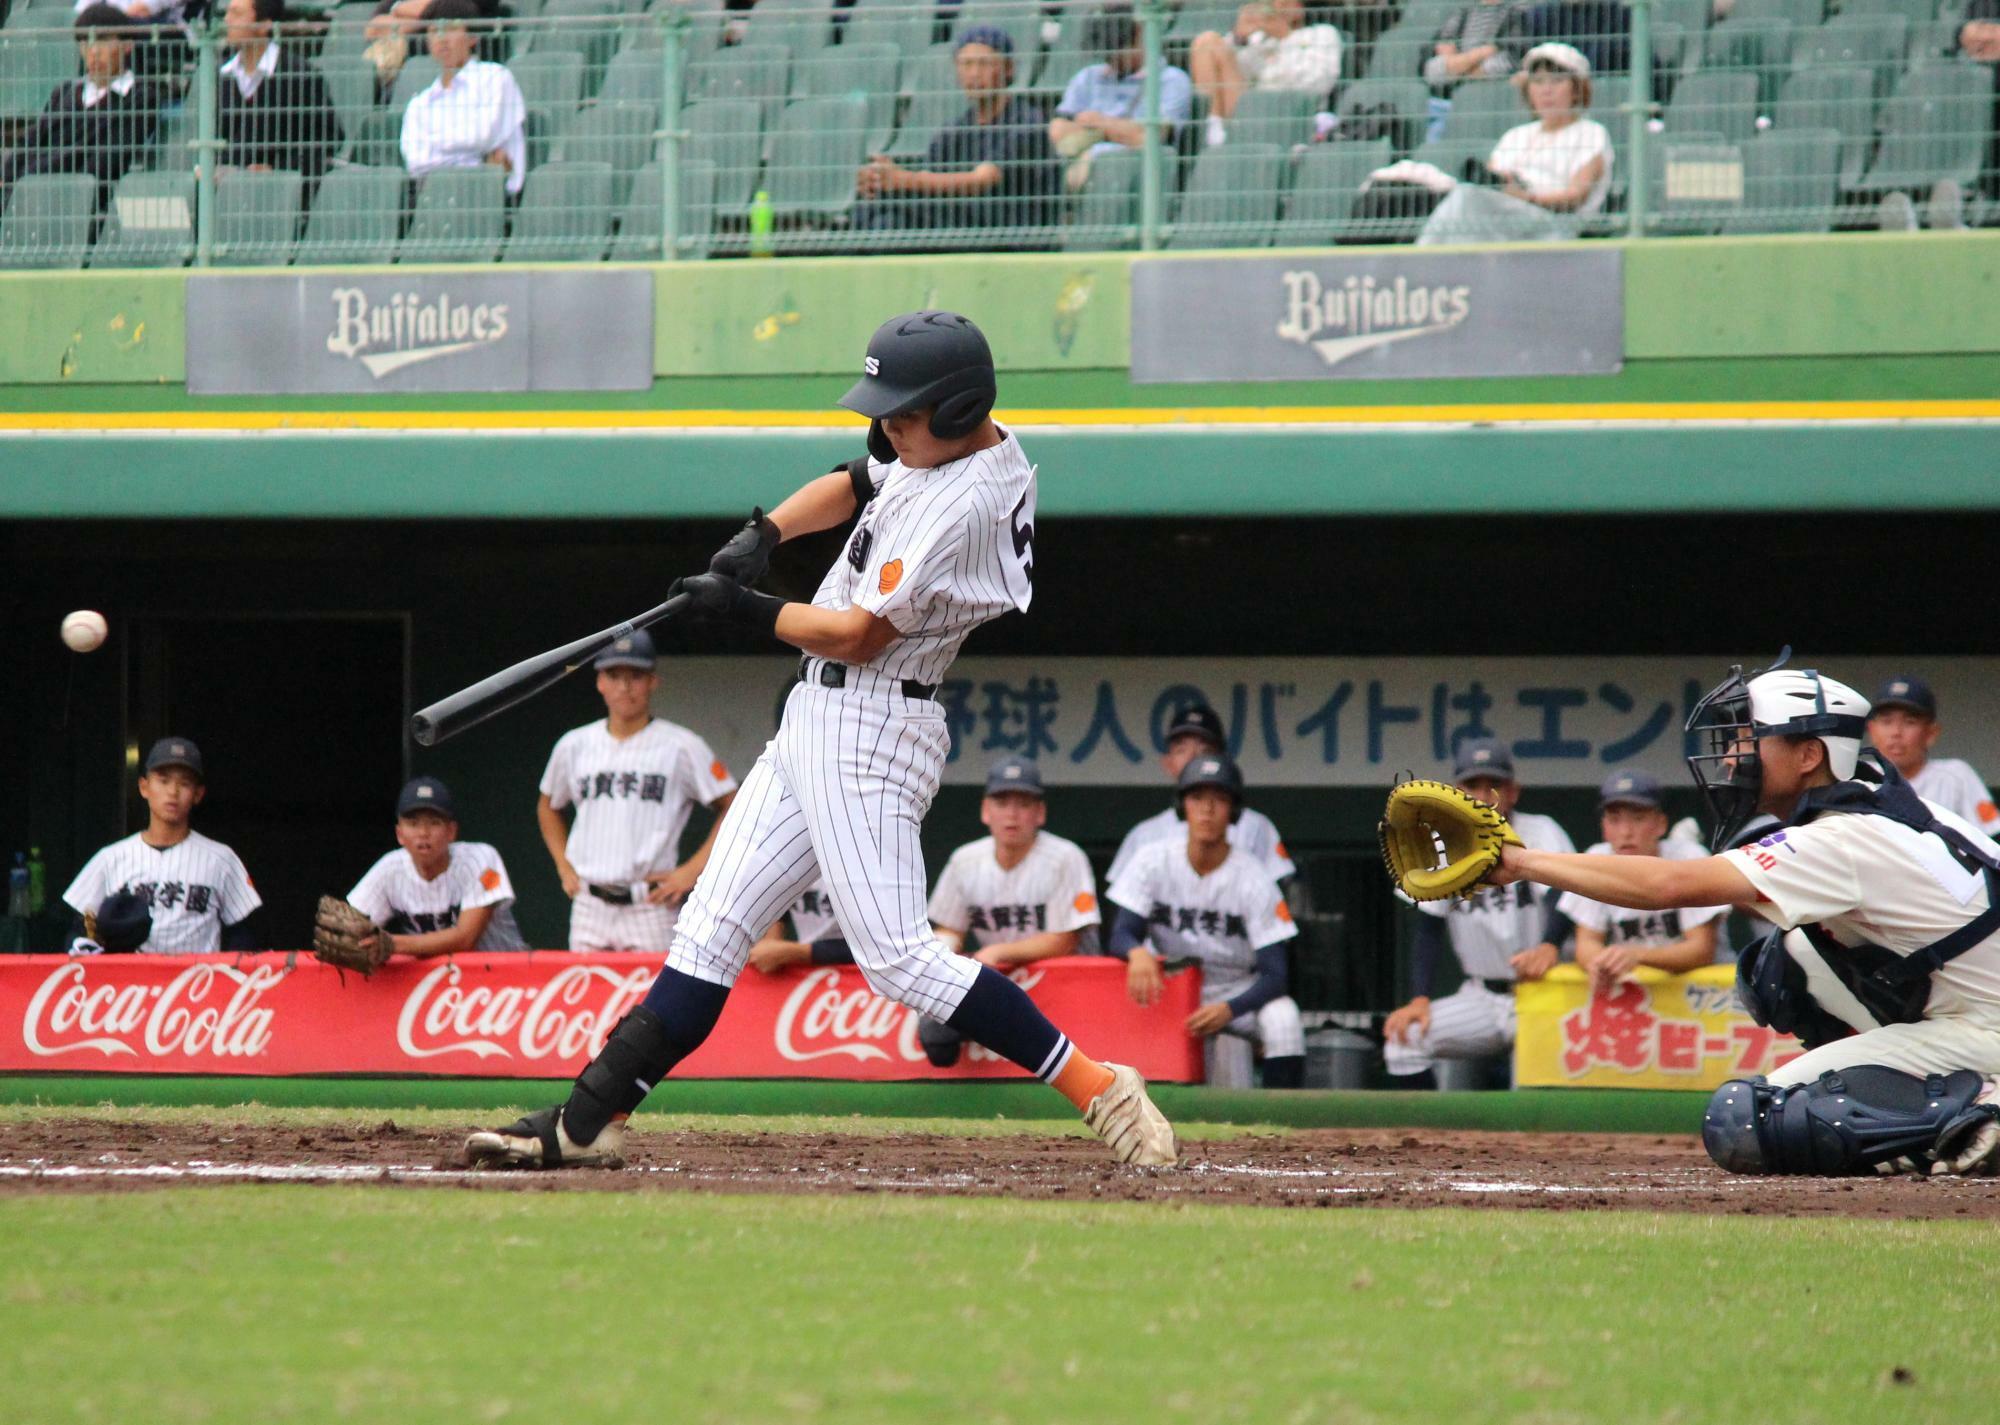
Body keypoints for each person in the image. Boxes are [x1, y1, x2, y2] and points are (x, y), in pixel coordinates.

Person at [467, 310, 1178, 1170]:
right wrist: (763, 536)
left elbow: (856, 634)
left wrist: (747, 608)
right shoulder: (939, 446)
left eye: (905, 413)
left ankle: (1100, 1088)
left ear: (957, 412)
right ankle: (586, 1121)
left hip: (876, 722)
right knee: (709, 929)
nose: (887, 426)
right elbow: (856, 479)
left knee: (902, 962)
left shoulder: (966, 499)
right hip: (817, 715)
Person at [1485, 654, 2000, 1178]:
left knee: (1751, 1120)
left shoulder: (1843, 837)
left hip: (1987, 1029)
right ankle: (1944, 1101)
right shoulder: (1866, 792)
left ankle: (1979, 1110)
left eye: (1750, 738)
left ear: (1807, 755)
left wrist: (1519, 862)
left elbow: (1667, 885)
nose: (1732, 756)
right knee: (1783, 964)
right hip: (1970, 1011)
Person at [1382, 736, 1574, 1088]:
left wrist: (1549, 945)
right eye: (1473, 785)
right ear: (1456, 791)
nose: (1484, 796)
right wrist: (1420, 998)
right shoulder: (1438, 846)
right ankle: (1427, 1142)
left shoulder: (1541, 830)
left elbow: (1564, 896)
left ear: (1514, 791)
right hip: (1481, 996)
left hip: (1541, 992)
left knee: (1528, 1087)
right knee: (1403, 1042)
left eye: (1494, 785)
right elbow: (1429, 928)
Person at [1107, 754, 1305, 1088]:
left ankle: (1283, 1126)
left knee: (1284, 1020)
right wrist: (1136, 952)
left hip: (1237, 989)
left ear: (1235, 812)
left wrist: (1231, 1008)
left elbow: (1276, 975)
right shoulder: (1152, 861)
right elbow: (1120, 934)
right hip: (1171, 985)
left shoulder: (1253, 878)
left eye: (1219, 799)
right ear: (1183, 806)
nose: (1207, 809)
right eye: (1197, 798)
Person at [536, 627, 738, 953]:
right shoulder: (574, 745)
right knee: (589, 1002)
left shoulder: (681, 746)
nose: (625, 686)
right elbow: (548, 805)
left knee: (653, 1003)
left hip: (650, 904)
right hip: (590, 902)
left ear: (653, 681)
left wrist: (691, 870)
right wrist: (563, 864)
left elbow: (735, 805)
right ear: (600, 682)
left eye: (636, 675)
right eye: (615, 675)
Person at [910, 755, 1100, 1066]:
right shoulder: (965, 860)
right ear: (986, 811)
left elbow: (1065, 940)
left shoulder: (1066, 857)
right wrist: (943, 955)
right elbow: (949, 929)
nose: (1012, 814)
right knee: (937, 1037)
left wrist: (998, 952)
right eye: (1002, 802)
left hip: (1069, 988)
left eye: (1023, 804)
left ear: (1040, 813)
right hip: (1004, 981)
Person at [60, 738, 263, 956]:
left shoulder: (221, 859)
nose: (173, 792)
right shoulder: (110, 858)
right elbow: (78, 931)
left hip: (196, 985)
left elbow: (244, 936)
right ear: (144, 787)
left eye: (184, 783)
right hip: (129, 984)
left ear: (198, 794)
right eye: (163, 781)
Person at [853, 28, 1060, 241]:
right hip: (959, 223)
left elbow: (983, 179)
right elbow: (927, 183)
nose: (974, 74)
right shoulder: (953, 132)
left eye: (984, 63)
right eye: (966, 64)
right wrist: (882, 181)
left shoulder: (1026, 122)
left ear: (1008, 68)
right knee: (881, 211)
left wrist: (903, 179)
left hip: (1007, 230)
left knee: (893, 213)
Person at [1417, 41, 1611, 244]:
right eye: (1538, 81)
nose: (1546, 90)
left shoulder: (1592, 133)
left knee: (1468, 199)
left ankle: (1423, 262)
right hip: (1502, 220)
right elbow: (1492, 180)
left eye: (1557, 80)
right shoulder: (1515, 135)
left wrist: (1525, 197)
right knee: (1466, 195)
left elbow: (1576, 195)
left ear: (1577, 89)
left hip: (1555, 227)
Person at [1557, 769, 1726, 997]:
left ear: (1661, 824)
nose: (1626, 832)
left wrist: (1636, 955)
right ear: (1604, 828)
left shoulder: (1689, 858)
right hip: (1636, 998)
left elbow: (1701, 950)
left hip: (1703, 998)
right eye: (1615, 820)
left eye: (1638, 818)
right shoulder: (1596, 860)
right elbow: (1586, 942)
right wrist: (1601, 964)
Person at [1106, 703, 1294, 898]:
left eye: (1204, 749)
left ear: (1223, 760)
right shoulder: (1144, 835)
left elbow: (1277, 898)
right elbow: (1122, 905)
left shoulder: (1255, 827)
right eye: (1181, 750)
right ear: (1168, 763)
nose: (1193, 758)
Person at [343, 775, 528, 957]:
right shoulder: (389, 869)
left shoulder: (481, 860)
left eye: (434, 823)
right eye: (413, 824)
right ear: (399, 834)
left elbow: (465, 939)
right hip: (436, 982)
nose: (423, 833)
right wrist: (353, 938)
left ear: (451, 832)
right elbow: (350, 931)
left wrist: (392, 943)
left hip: (504, 979)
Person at [0, 6, 165, 198]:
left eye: (102, 40)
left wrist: (35, 176)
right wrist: (10, 175)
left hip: (83, 197)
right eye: (85, 41)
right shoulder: (64, 93)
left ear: (127, 45)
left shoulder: (140, 97)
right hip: (32, 192)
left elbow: (107, 159)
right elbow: (31, 141)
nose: (93, 51)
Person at [1049, 5, 1193, 190]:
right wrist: (1121, 132)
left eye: (1117, 48)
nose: (1110, 57)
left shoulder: (1171, 80)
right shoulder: (1087, 77)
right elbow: (1057, 130)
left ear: (1139, 34)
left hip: (1138, 178)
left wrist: (1099, 124)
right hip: (1081, 177)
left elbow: (1152, 137)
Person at [398, 0, 526, 197]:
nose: (441, 39)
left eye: (451, 29)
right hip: (436, 198)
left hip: (489, 197)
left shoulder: (496, 79)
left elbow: (484, 136)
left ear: (472, 37)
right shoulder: (420, 103)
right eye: (434, 31)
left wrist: (434, 143)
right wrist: (475, 159)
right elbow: (416, 162)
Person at [216, 0, 342, 181]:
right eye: (227, 13)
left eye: (236, 14)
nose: (227, 20)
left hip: (285, 192)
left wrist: (277, 168)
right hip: (229, 192)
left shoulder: (299, 74)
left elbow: (330, 136)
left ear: (264, 25)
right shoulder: (220, 76)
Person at [1188, 0, 1343, 146]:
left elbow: (1318, 84)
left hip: (1291, 112)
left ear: (1300, 7)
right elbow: (1238, 73)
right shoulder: (1260, 39)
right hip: (1249, 110)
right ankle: (1214, 132)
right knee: (1207, 41)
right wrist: (1239, 38)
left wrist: (1285, 36)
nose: (1277, 5)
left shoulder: (1322, 34)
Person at [1865, 676, 2000, 839]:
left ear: (1931, 733)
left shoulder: (1956, 775)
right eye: (1887, 722)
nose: (1896, 732)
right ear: (1871, 730)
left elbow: (1992, 837)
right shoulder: (1857, 776)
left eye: (1910, 722)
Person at [1422, 0, 1533, 93]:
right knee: (1433, 68)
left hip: (1495, 86)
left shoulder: (1519, 9)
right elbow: (1444, 45)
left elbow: (1511, 59)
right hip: (1459, 80)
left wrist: (1459, 67)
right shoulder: (1465, 8)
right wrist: (1483, 52)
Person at [745, 879, 848, 974]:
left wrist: (795, 952)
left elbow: (862, 945)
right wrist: (772, 934)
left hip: (855, 974)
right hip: (807, 975)